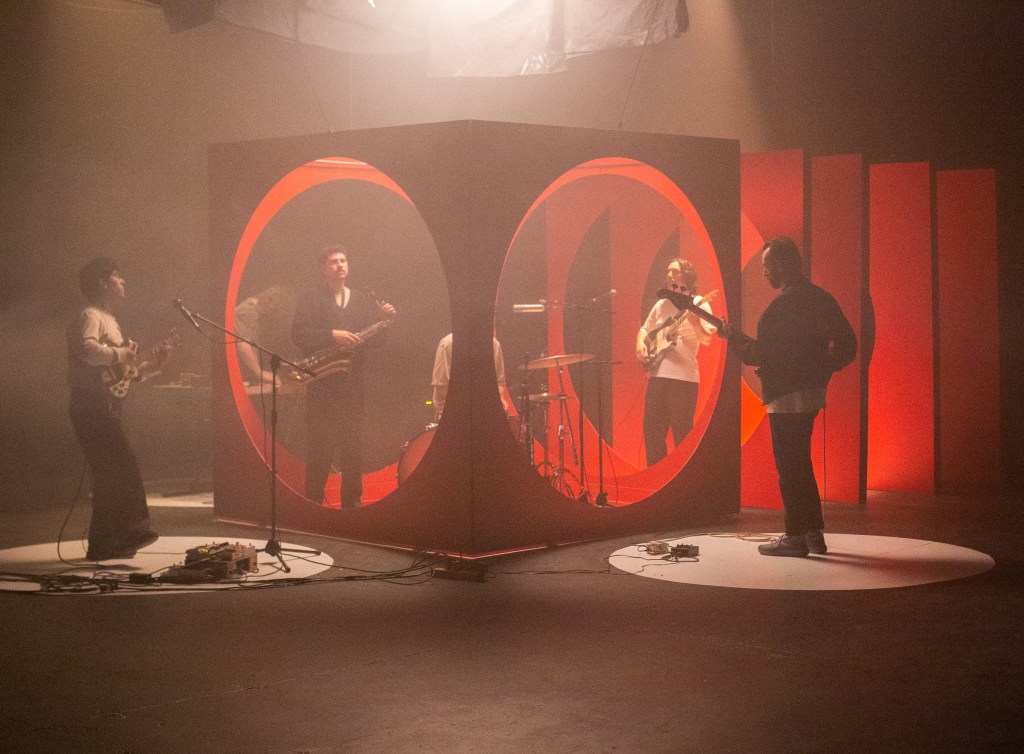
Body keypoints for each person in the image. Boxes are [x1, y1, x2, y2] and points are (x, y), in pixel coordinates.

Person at [721, 237, 857, 557]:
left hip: (785, 399)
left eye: (767, 266)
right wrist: (825, 367)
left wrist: (733, 339)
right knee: (801, 464)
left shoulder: (777, 311)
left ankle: (796, 538)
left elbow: (760, 354)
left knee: (790, 469)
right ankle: (813, 534)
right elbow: (848, 343)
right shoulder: (821, 299)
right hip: (812, 395)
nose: (765, 273)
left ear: (781, 266)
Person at [67, 257, 170, 560]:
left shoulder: (110, 320)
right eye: (116, 275)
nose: (123, 280)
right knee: (123, 469)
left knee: (109, 475)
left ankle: (104, 545)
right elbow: (87, 349)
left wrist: (157, 364)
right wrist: (121, 353)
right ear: (103, 283)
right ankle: (131, 532)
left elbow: (123, 374)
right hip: (92, 405)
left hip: (103, 405)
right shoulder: (91, 315)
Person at [292, 246, 395, 508]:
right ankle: (314, 502)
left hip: (352, 383)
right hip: (322, 382)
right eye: (333, 261)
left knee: (353, 444)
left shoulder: (361, 299)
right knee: (320, 445)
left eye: (343, 260)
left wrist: (382, 320)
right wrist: (332, 335)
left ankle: (352, 501)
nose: (340, 265)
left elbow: (375, 341)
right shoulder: (310, 299)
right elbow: (298, 334)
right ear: (323, 268)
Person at [635, 258, 716, 466]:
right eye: (668, 271)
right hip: (657, 376)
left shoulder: (699, 303)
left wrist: (695, 322)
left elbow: (707, 339)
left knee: (683, 437)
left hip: (683, 379)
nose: (670, 275)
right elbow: (644, 329)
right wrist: (640, 344)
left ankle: (685, 480)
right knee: (652, 434)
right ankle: (657, 476)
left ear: (686, 276)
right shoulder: (661, 304)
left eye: (675, 271)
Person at [430, 332, 512, 424]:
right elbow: (499, 383)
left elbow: (440, 385)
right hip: (483, 416)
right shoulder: (493, 343)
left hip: (455, 416)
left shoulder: (447, 343)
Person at [234, 285, 295, 386]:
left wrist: (258, 372)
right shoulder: (247, 311)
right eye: (275, 312)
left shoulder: (254, 312)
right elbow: (243, 346)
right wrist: (260, 373)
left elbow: (251, 345)